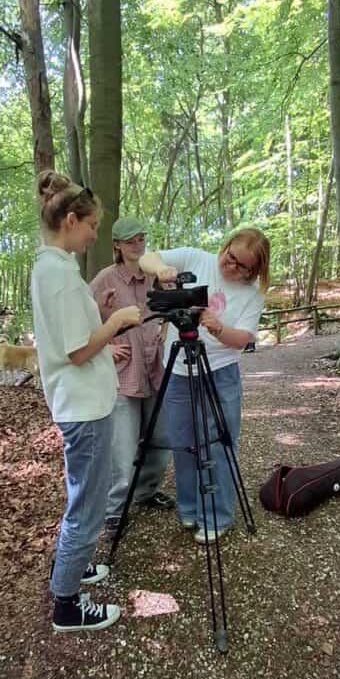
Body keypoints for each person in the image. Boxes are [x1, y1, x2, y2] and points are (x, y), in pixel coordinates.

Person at [31, 173, 141, 633]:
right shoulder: (56, 274)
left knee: (83, 496)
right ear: (71, 220)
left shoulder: (55, 268)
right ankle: (67, 604)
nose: (97, 235)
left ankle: (69, 569)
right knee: (88, 505)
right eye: (92, 225)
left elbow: (71, 339)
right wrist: (115, 321)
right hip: (84, 408)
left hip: (81, 402)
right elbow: (76, 350)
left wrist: (101, 326)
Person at [139, 229, 270, 543]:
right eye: (231, 256)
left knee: (217, 443)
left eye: (243, 267)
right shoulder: (196, 258)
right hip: (179, 371)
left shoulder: (252, 294)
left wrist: (220, 328)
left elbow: (244, 340)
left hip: (220, 373)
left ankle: (216, 515)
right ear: (225, 247)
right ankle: (189, 508)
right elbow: (146, 256)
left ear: (255, 271)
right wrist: (161, 270)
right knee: (184, 444)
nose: (232, 267)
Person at [89, 215, 174, 538]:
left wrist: (164, 327)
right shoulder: (105, 279)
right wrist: (105, 347)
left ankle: (147, 492)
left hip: (156, 368)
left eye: (141, 238)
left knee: (159, 440)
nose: (138, 244)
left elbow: (171, 309)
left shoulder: (155, 275)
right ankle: (114, 511)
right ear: (117, 246)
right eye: (131, 240)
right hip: (124, 375)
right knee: (122, 450)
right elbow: (81, 320)